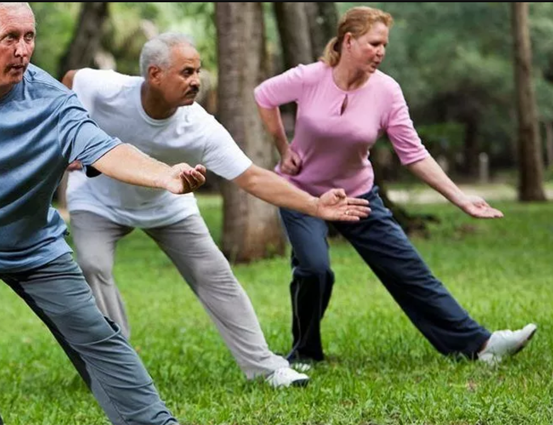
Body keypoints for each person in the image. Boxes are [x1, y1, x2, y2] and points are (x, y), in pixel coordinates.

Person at [0, 3, 206, 425]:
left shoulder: (52, 102)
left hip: (31, 244)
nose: (23, 49)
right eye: (10, 37)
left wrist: (165, 176)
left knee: (97, 336)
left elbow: (106, 148)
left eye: (29, 36)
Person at [61, 32, 372, 389]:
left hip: (167, 205)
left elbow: (253, 178)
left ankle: (267, 368)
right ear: (154, 74)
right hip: (98, 199)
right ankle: (116, 367)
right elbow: (71, 79)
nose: (196, 81)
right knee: (93, 265)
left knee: (217, 277)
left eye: (198, 72)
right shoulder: (108, 89)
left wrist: (315, 204)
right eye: (186, 72)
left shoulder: (200, 127)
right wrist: (68, 136)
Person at [252, 5, 537, 368]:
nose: (381, 52)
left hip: (358, 195)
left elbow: (413, 154)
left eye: (385, 44)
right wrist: (283, 147)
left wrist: (461, 199)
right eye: (374, 43)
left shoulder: (386, 91)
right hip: (302, 193)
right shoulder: (310, 77)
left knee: (409, 271)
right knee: (314, 268)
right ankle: (305, 352)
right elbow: (264, 96)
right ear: (349, 41)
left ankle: (481, 346)